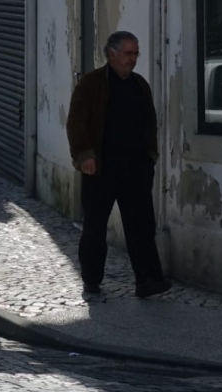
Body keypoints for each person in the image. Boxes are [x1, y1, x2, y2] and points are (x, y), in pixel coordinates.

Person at [67, 31, 169, 301]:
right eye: (128, 53)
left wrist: (150, 157)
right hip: (101, 167)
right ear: (111, 54)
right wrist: (85, 155)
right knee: (95, 226)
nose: (133, 59)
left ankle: (148, 279)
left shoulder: (139, 85)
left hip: (135, 167)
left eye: (136, 53)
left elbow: (150, 123)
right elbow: (76, 122)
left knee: (141, 225)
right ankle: (91, 279)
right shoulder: (91, 84)